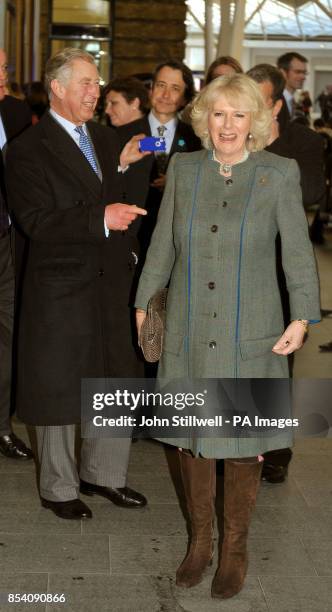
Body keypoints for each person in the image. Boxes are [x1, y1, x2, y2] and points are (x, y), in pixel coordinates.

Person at [134, 74, 320, 599]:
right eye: (219, 114)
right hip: (190, 327)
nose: (228, 125)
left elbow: (297, 254)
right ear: (205, 119)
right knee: (194, 440)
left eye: (239, 115)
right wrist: (143, 303)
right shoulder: (186, 170)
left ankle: (234, 547)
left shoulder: (278, 174)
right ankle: (200, 543)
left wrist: (302, 317)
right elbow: (163, 246)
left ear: (255, 122)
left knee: (242, 445)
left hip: (252, 330)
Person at [5, 48, 148, 520]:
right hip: (59, 286)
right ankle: (59, 486)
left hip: (108, 283)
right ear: (58, 89)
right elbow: (35, 221)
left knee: (111, 377)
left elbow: (102, 188)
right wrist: (100, 218)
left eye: (97, 82)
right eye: (86, 83)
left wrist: (122, 172)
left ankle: (104, 475)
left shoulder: (104, 140)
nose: (97, 91)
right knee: (59, 387)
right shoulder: (27, 148)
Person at [246, 63, 325, 482]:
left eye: (258, 102)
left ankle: (276, 448)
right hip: (239, 265)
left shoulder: (303, 143)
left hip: (280, 266)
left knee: (278, 360)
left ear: (277, 105)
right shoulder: (232, 139)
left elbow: (311, 192)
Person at [116, 60, 201, 256]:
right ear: (151, 89)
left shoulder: (196, 140)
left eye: (175, 89)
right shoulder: (121, 135)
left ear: (185, 97)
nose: (166, 95)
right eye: (161, 86)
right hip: (130, 235)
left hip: (177, 237)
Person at [0, 47, 33, 460]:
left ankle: (2, 425)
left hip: (8, 237)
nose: (2, 73)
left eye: (4, 65)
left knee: (7, 335)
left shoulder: (18, 113)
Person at [277, 52, 308, 118]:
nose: (303, 77)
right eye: (298, 72)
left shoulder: (292, 100)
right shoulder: (274, 100)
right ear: (283, 73)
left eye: (304, 73)